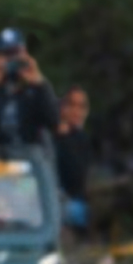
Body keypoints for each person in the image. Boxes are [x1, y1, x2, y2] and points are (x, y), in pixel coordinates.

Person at [0, 28, 58, 146]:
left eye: (15, 53)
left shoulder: (34, 88)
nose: (11, 59)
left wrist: (41, 84)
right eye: (6, 54)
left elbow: (53, 121)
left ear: (25, 54)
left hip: (28, 155)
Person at [56, 85, 92, 232]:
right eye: (72, 105)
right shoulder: (52, 136)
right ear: (62, 108)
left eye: (82, 107)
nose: (77, 111)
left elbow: (80, 177)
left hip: (77, 203)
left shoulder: (82, 138)